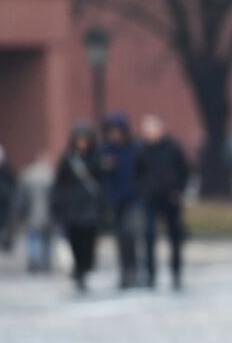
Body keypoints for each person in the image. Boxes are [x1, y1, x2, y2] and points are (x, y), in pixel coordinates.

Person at [135, 115, 190, 290]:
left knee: (174, 237)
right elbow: (136, 173)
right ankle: (150, 275)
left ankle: (176, 273)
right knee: (149, 236)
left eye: (152, 128)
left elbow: (186, 170)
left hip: (171, 198)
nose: (149, 132)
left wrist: (179, 190)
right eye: (146, 129)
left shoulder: (173, 147)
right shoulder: (140, 149)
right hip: (150, 199)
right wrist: (142, 191)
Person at [52, 124, 104, 293]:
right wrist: (58, 204)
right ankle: (78, 270)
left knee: (88, 239)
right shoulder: (68, 159)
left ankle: (85, 267)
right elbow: (59, 183)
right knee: (74, 239)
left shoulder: (96, 158)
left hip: (90, 206)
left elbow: (102, 181)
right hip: (72, 206)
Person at [100, 113, 143, 288]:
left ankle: (133, 270)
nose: (114, 135)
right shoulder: (105, 151)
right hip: (114, 200)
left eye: (117, 131)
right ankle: (124, 271)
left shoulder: (135, 149)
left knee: (130, 233)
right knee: (119, 237)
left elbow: (143, 172)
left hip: (133, 198)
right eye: (111, 132)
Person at [17, 155, 56, 273]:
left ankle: (33, 259)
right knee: (46, 239)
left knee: (33, 237)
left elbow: (21, 197)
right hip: (48, 215)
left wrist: (21, 211)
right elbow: (57, 198)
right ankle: (46, 261)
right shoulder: (51, 175)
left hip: (32, 214)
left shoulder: (28, 175)